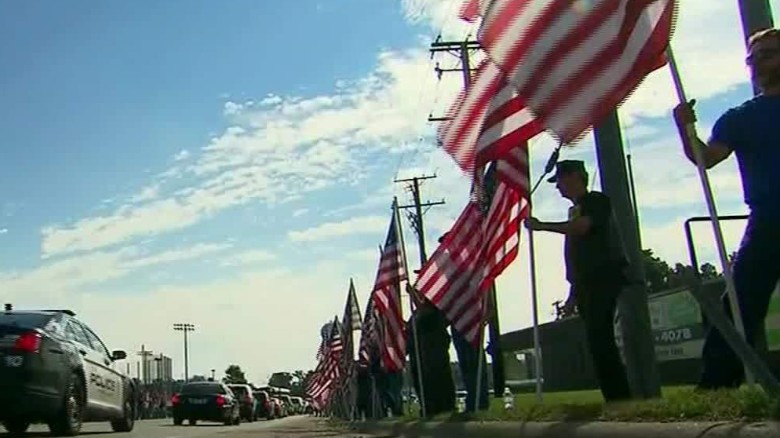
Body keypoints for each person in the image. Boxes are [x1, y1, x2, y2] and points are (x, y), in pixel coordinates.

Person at [672, 28, 780, 390]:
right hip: (769, 220)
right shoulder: (740, 118)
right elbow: (707, 159)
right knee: (739, 302)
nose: (759, 64)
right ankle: (718, 383)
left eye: (768, 54)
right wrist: (685, 129)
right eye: (754, 58)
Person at [524, 159, 632, 402]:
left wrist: (542, 226)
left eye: (560, 180)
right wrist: (573, 293)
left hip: (603, 278)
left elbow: (582, 228)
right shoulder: (575, 210)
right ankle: (614, 395)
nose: (558, 187)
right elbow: (578, 256)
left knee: (601, 339)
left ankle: (620, 396)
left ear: (574, 176)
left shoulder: (596, 202)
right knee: (596, 341)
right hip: (585, 283)